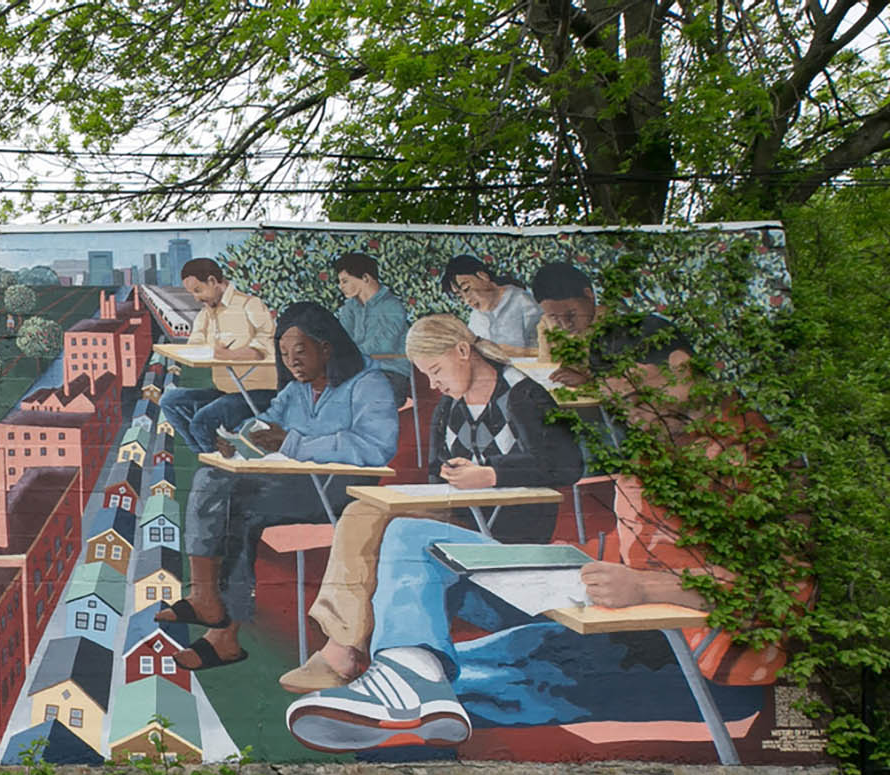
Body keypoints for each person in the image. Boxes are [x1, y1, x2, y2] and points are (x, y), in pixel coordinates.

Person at [283, 406, 784, 753]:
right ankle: (407, 675)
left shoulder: (753, 464)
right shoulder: (650, 460)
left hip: (692, 666)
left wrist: (646, 588)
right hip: (614, 627)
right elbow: (638, 548)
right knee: (414, 537)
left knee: (443, 693)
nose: (633, 415)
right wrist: (561, 559)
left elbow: (773, 588)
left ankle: (399, 692)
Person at [277, 313, 586, 695]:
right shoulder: (450, 406)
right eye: (425, 375)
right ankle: (343, 645)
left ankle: (347, 654)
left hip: (512, 532)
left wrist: (490, 474)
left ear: (462, 351)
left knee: (388, 529)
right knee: (362, 513)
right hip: (465, 517)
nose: (432, 384)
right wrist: (452, 477)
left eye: (435, 370)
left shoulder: (522, 394)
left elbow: (568, 462)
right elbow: (437, 471)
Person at [156, 302, 399, 670]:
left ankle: (222, 633)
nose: (292, 362)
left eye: (300, 351)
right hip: (297, 481)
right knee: (212, 480)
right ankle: (207, 601)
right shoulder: (298, 388)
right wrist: (240, 439)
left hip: (341, 490)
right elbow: (268, 421)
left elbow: (376, 446)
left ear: (326, 348)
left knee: (241, 505)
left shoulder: (369, 384)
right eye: (284, 354)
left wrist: (293, 443)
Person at [157, 257, 278, 448]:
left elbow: (267, 345)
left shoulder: (250, 304)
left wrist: (232, 355)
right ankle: (207, 454)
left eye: (198, 290)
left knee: (201, 422)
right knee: (169, 401)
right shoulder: (206, 314)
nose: (196, 298)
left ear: (213, 282)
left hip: (259, 393)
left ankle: (215, 462)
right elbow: (194, 346)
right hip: (226, 391)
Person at [530, 261, 694, 393]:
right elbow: (548, 364)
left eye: (571, 314)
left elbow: (627, 385)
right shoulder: (549, 327)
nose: (565, 324)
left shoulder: (618, 329)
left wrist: (587, 382)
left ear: (589, 295)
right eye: (553, 316)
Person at [331, 251, 411, 396]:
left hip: (390, 373)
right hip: (358, 373)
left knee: (358, 395)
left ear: (365, 278)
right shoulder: (350, 308)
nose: (340, 286)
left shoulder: (392, 306)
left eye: (345, 281)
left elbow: (383, 346)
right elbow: (340, 341)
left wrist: (349, 354)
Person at [440, 254, 542, 354]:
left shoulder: (521, 300)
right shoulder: (475, 318)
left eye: (467, 289)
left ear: (483, 276)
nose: (467, 300)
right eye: (460, 296)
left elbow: (542, 348)